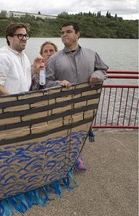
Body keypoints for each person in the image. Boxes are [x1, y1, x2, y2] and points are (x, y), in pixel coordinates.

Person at [45, 22, 109, 171]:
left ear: (78, 34)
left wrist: (96, 75)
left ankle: (75, 156)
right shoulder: (54, 59)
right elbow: (46, 82)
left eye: (68, 31)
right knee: (62, 135)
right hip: (63, 106)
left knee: (80, 133)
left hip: (85, 104)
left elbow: (103, 70)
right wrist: (58, 83)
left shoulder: (91, 54)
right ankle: (62, 164)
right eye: (62, 32)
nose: (64, 35)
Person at [0, 23, 32, 95]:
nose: (24, 39)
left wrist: (35, 69)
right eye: (20, 36)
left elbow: (23, 81)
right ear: (9, 38)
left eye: (25, 35)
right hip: (8, 104)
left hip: (23, 103)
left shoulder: (24, 57)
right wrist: (14, 101)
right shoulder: (1, 57)